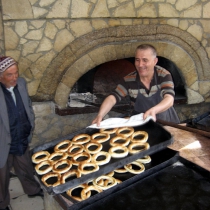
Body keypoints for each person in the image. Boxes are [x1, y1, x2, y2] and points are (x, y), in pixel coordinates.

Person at [92, 44, 180, 126]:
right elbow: (113, 98)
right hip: (141, 124)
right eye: (137, 60)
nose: (140, 65)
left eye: (145, 60)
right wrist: (100, 115)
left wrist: (154, 110)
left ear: (155, 61)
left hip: (167, 123)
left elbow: (169, 99)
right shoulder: (129, 79)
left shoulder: (163, 75)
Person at [0, 56, 43, 210]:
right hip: (3, 142)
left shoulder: (22, 83)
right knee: (2, 176)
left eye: (16, 73)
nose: (15, 77)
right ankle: (2, 203)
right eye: (9, 75)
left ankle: (32, 190)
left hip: (21, 135)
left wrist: (30, 121)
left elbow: (28, 104)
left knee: (25, 167)